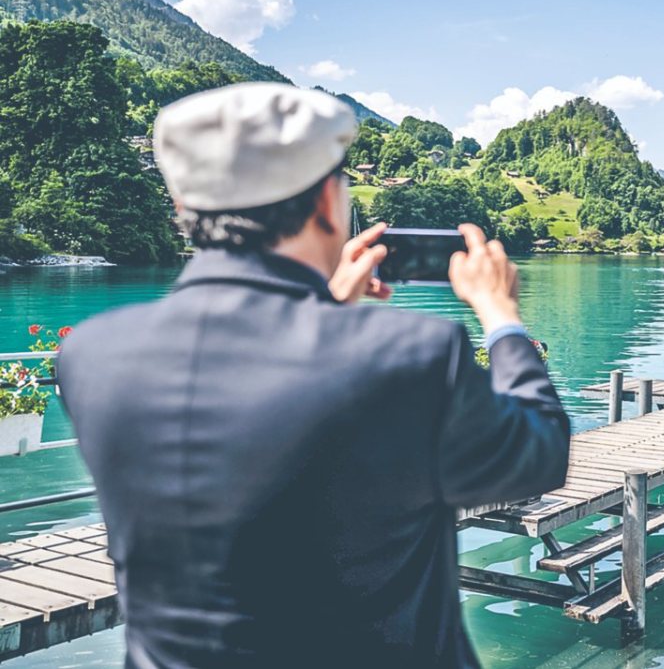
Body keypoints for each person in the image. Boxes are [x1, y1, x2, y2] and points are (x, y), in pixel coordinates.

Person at [56, 83, 570, 668]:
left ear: (182, 207)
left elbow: (263, 421)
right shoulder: (416, 354)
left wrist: (325, 310)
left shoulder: (92, 355)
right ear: (329, 201)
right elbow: (539, 454)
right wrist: (502, 316)